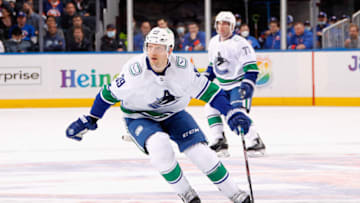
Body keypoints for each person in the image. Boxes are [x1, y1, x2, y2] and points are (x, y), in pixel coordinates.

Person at [66, 27, 252, 203]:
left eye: (159, 47)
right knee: (159, 145)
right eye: (150, 46)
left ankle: (235, 193)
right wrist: (91, 118)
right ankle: (186, 193)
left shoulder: (183, 68)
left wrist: (231, 113)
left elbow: (211, 92)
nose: (153, 52)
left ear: (170, 50)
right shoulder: (134, 71)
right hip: (139, 116)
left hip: (174, 114)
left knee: (201, 153)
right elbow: (107, 94)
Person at [203, 11, 265, 158]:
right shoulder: (213, 42)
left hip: (237, 85)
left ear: (232, 26)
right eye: (219, 23)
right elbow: (213, 66)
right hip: (222, 86)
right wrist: (204, 79)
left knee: (238, 113)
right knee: (210, 107)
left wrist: (248, 85)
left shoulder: (241, 44)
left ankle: (254, 140)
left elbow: (251, 69)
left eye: (226, 23)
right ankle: (219, 140)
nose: (222, 26)